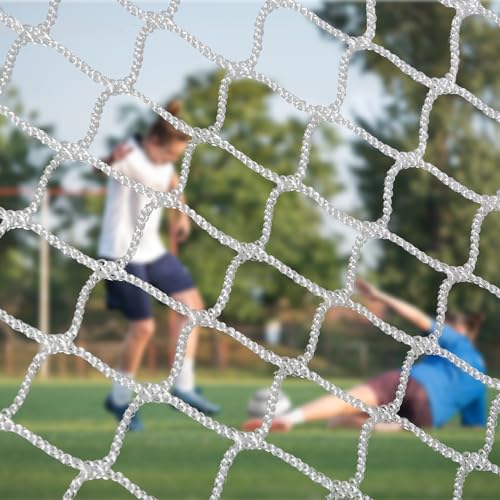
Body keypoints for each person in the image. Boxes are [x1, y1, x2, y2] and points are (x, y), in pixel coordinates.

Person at [98, 99, 219, 431]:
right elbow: (100, 169)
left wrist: (180, 215)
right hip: (121, 253)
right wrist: (109, 159)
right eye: (169, 153)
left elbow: (174, 182)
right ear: (153, 143)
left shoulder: (163, 164)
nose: (172, 160)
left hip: (152, 251)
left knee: (192, 307)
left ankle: (183, 387)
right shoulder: (131, 158)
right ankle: (120, 400)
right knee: (143, 329)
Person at [243, 278, 487, 433]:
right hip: (427, 417)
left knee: (350, 399)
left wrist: (380, 296)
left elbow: (418, 318)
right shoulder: (482, 373)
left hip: (411, 384)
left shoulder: (456, 339)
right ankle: (380, 425)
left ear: (460, 329)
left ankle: (290, 418)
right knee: (389, 424)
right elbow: (474, 427)